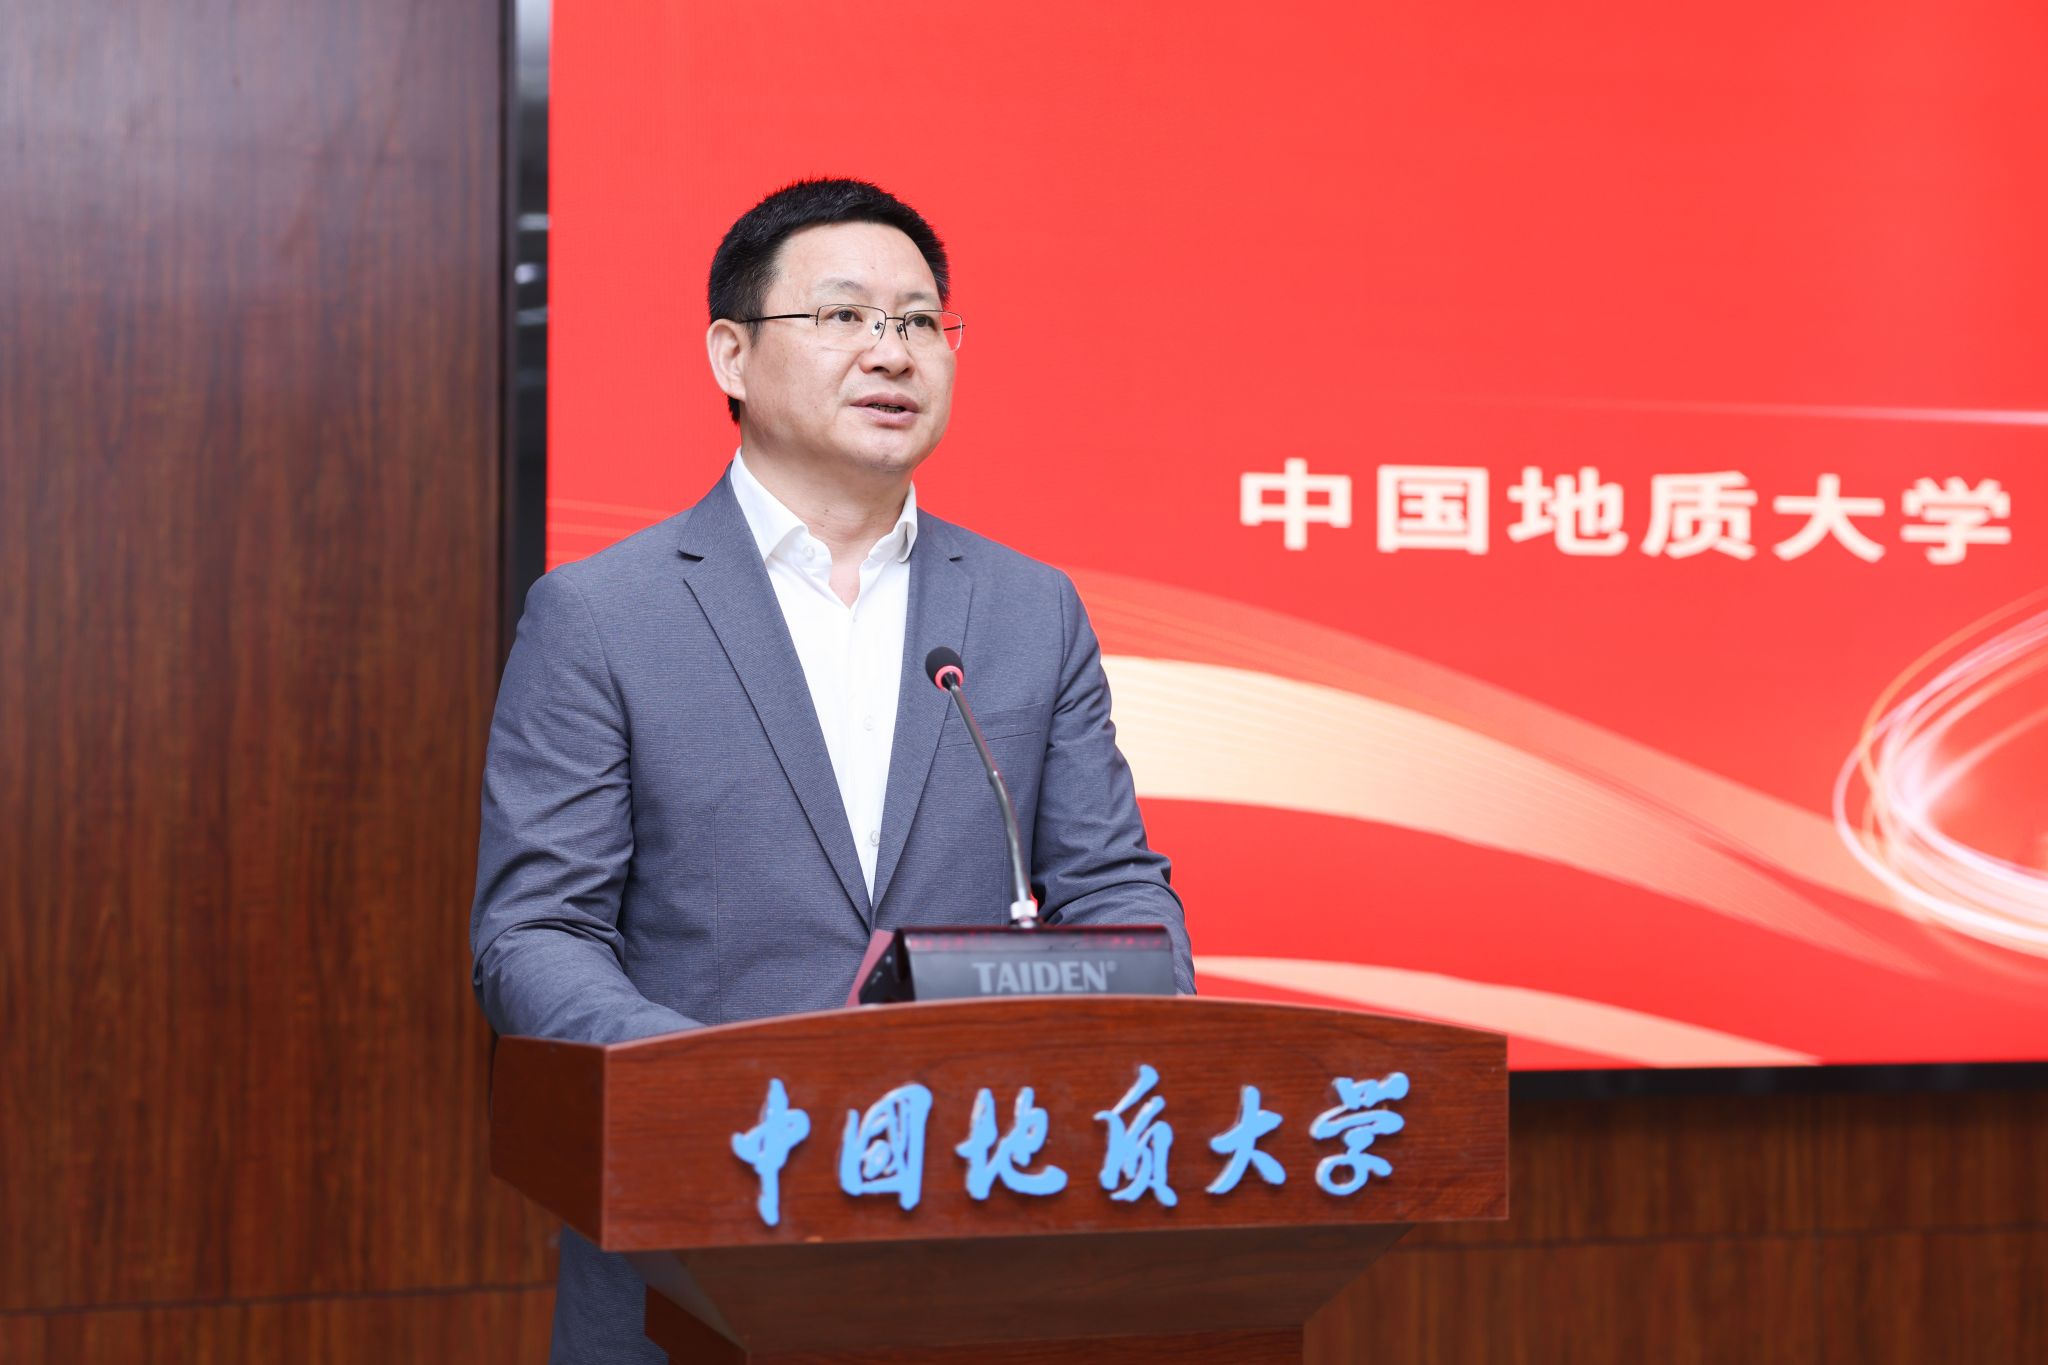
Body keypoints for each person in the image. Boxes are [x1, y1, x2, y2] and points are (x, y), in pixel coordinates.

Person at [470, 178, 1193, 1364]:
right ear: (732, 355)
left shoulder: (1028, 609)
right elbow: (534, 933)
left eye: (918, 322)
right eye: (845, 316)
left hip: (982, 1236)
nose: (891, 351)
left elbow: (1113, 887)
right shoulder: (601, 616)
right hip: (695, 1247)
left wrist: (1142, 1021)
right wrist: (716, 1084)